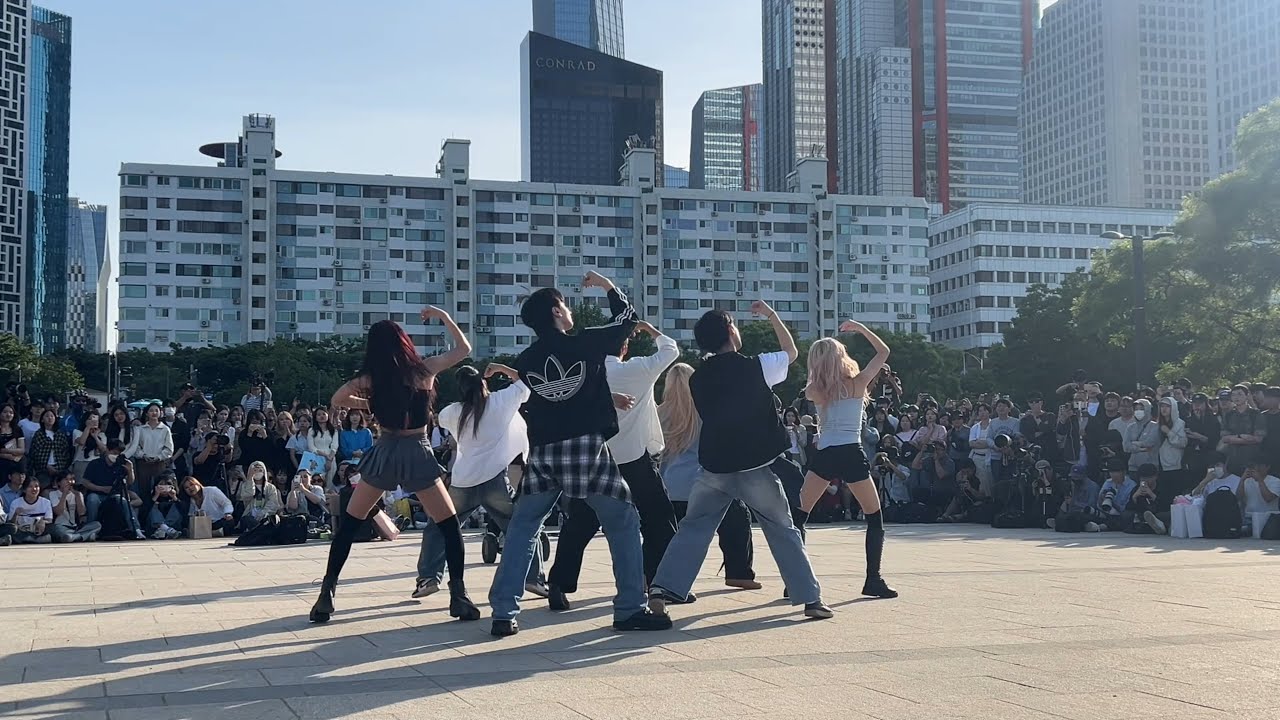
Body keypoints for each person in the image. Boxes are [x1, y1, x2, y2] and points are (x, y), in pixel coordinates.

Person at [488, 271, 670, 637]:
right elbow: (627, 319)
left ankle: (503, 613)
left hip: (543, 452)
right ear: (557, 311)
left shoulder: (526, 359)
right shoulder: (584, 343)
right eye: (566, 305)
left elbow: (552, 394)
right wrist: (606, 287)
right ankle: (630, 607)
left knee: (524, 527)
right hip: (585, 448)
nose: (569, 310)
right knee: (623, 521)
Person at [647, 302, 833, 619]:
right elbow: (791, 351)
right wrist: (773, 316)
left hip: (714, 467)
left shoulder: (699, 379)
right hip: (755, 466)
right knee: (781, 528)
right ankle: (809, 598)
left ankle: (663, 588)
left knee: (693, 528)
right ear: (732, 331)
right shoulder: (757, 366)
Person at [313, 307, 479, 625]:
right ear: (404, 342)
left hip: (386, 450)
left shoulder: (371, 379)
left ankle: (326, 594)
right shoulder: (424, 371)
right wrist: (444, 317)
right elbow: (463, 350)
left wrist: (369, 402)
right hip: (417, 451)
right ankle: (459, 595)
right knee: (448, 527)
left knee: (348, 526)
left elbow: (337, 397)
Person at [546, 318, 681, 610]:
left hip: (594, 459)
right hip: (634, 458)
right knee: (659, 518)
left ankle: (559, 584)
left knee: (580, 523)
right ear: (624, 347)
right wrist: (651, 330)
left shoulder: (584, 373)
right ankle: (651, 579)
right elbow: (671, 350)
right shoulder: (637, 369)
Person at [414, 363, 546, 601]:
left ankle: (429, 577)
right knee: (521, 528)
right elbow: (526, 383)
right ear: (483, 383)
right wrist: (500, 368)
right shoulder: (500, 401)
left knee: (439, 526)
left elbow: (439, 419)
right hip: (495, 480)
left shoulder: (453, 411)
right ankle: (534, 578)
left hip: (463, 481)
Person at [657, 363, 758, 590]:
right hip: (703, 483)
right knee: (737, 518)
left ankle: (656, 576)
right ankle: (739, 571)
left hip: (670, 485)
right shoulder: (708, 408)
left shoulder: (660, 413)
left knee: (669, 534)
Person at [123, 402, 174, 499]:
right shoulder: (140, 429)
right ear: (146, 413)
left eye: (156, 410)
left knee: (159, 489)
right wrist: (143, 455)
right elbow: (136, 446)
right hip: (143, 463)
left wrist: (158, 457)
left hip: (159, 463)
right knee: (143, 490)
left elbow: (169, 448)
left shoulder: (165, 429)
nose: (154, 413)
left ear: (160, 413)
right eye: (151, 410)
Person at [1221, 384, 1265, 475]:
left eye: (1240, 394)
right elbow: (1225, 438)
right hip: (1232, 457)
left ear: (1247, 396)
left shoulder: (1256, 414)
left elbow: (1258, 439)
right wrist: (1241, 436)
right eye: (1233, 395)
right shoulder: (1228, 415)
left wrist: (1233, 439)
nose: (1236, 397)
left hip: (1252, 458)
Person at [45, 471, 100, 542]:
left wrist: (78, 496)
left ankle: (74, 537)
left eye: (71, 479)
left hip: (75, 527)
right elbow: (58, 512)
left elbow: (82, 513)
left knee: (97, 525)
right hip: (61, 526)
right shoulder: (53, 494)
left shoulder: (77, 494)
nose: (69, 482)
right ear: (59, 482)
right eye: (66, 480)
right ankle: (84, 536)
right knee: (55, 529)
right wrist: (64, 495)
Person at [1046, 465, 1102, 533]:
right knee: (1063, 515)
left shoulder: (1093, 487)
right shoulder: (1075, 485)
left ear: (1084, 476)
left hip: (1087, 513)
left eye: (1077, 477)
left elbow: (1092, 506)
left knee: (1073, 518)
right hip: (1074, 511)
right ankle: (1061, 521)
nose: (1074, 479)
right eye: (1072, 477)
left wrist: (1073, 502)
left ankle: (1085, 526)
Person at [26, 409, 72, 489]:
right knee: (43, 487)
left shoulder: (60, 434)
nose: (50, 418)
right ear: (42, 419)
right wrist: (46, 466)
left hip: (59, 467)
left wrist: (61, 466)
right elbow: (35, 453)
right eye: (47, 416)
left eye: (52, 416)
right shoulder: (39, 434)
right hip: (43, 468)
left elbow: (65, 452)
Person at [1125, 463, 1174, 535]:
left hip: (1158, 513)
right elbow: (1129, 508)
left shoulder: (1163, 487)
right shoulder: (1136, 488)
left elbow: (1166, 506)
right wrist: (1134, 497)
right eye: (1143, 478)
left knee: (1167, 515)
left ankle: (1156, 526)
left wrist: (1152, 494)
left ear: (1155, 477)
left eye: (1149, 478)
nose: (1146, 480)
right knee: (1126, 515)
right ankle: (1157, 527)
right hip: (1142, 515)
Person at [236, 460, 282, 532]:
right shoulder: (245, 485)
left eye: (260, 470)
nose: (258, 472)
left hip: (265, 517)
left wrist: (262, 514)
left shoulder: (271, 487)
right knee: (246, 520)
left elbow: (273, 503)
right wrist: (250, 479)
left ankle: (261, 529)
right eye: (255, 470)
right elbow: (247, 496)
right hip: (250, 516)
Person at [1155, 396, 1188, 495]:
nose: (1164, 409)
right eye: (1162, 406)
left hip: (1175, 465)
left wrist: (1169, 432)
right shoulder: (1158, 424)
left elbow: (1183, 443)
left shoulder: (1180, 424)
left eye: (1167, 406)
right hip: (1159, 464)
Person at [9, 476, 54, 543]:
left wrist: (43, 522)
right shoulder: (16, 503)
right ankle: (31, 539)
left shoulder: (46, 502)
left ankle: (32, 539)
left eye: (36, 486)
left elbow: (49, 520)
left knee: (53, 528)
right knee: (12, 530)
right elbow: (11, 524)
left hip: (39, 531)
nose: (34, 489)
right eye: (30, 487)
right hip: (22, 531)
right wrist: (15, 514)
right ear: (24, 490)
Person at [1123, 399, 1160, 476]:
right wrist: (1141, 449)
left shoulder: (1155, 426)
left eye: (1141, 409)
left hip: (1150, 466)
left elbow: (1150, 442)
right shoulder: (1130, 427)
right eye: (1136, 409)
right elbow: (1126, 446)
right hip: (1133, 467)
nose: (1138, 411)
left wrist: (1133, 443)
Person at [307, 407, 340, 488]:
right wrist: (325, 456)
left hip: (331, 458)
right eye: (318, 415)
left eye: (323, 414)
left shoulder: (333, 430)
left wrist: (329, 459)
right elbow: (311, 447)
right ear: (315, 417)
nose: (321, 416)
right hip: (316, 458)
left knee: (329, 483)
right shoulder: (311, 430)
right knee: (316, 482)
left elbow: (335, 446)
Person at [146, 473, 185, 538]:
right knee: (153, 506)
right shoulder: (151, 497)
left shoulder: (177, 497)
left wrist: (174, 497)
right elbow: (144, 513)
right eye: (161, 484)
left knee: (176, 505)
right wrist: (156, 496)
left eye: (167, 484)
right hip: (154, 527)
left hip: (173, 526)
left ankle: (164, 529)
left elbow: (184, 511)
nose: (164, 486)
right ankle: (166, 530)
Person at [968, 403, 995, 494]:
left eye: (984, 410)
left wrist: (981, 442)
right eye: (980, 411)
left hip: (990, 457)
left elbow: (993, 442)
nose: (982, 413)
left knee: (989, 481)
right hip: (977, 457)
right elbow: (971, 443)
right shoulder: (975, 427)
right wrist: (986, 442)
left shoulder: (993, 425)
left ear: (989, 412)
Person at [0, 404, 25, 479]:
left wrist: (6, 451)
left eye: (11, 412)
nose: (8, 414)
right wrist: (5, 455)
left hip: (14, 459)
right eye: (5, 412)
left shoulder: (17, 430)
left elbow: (21, 449)